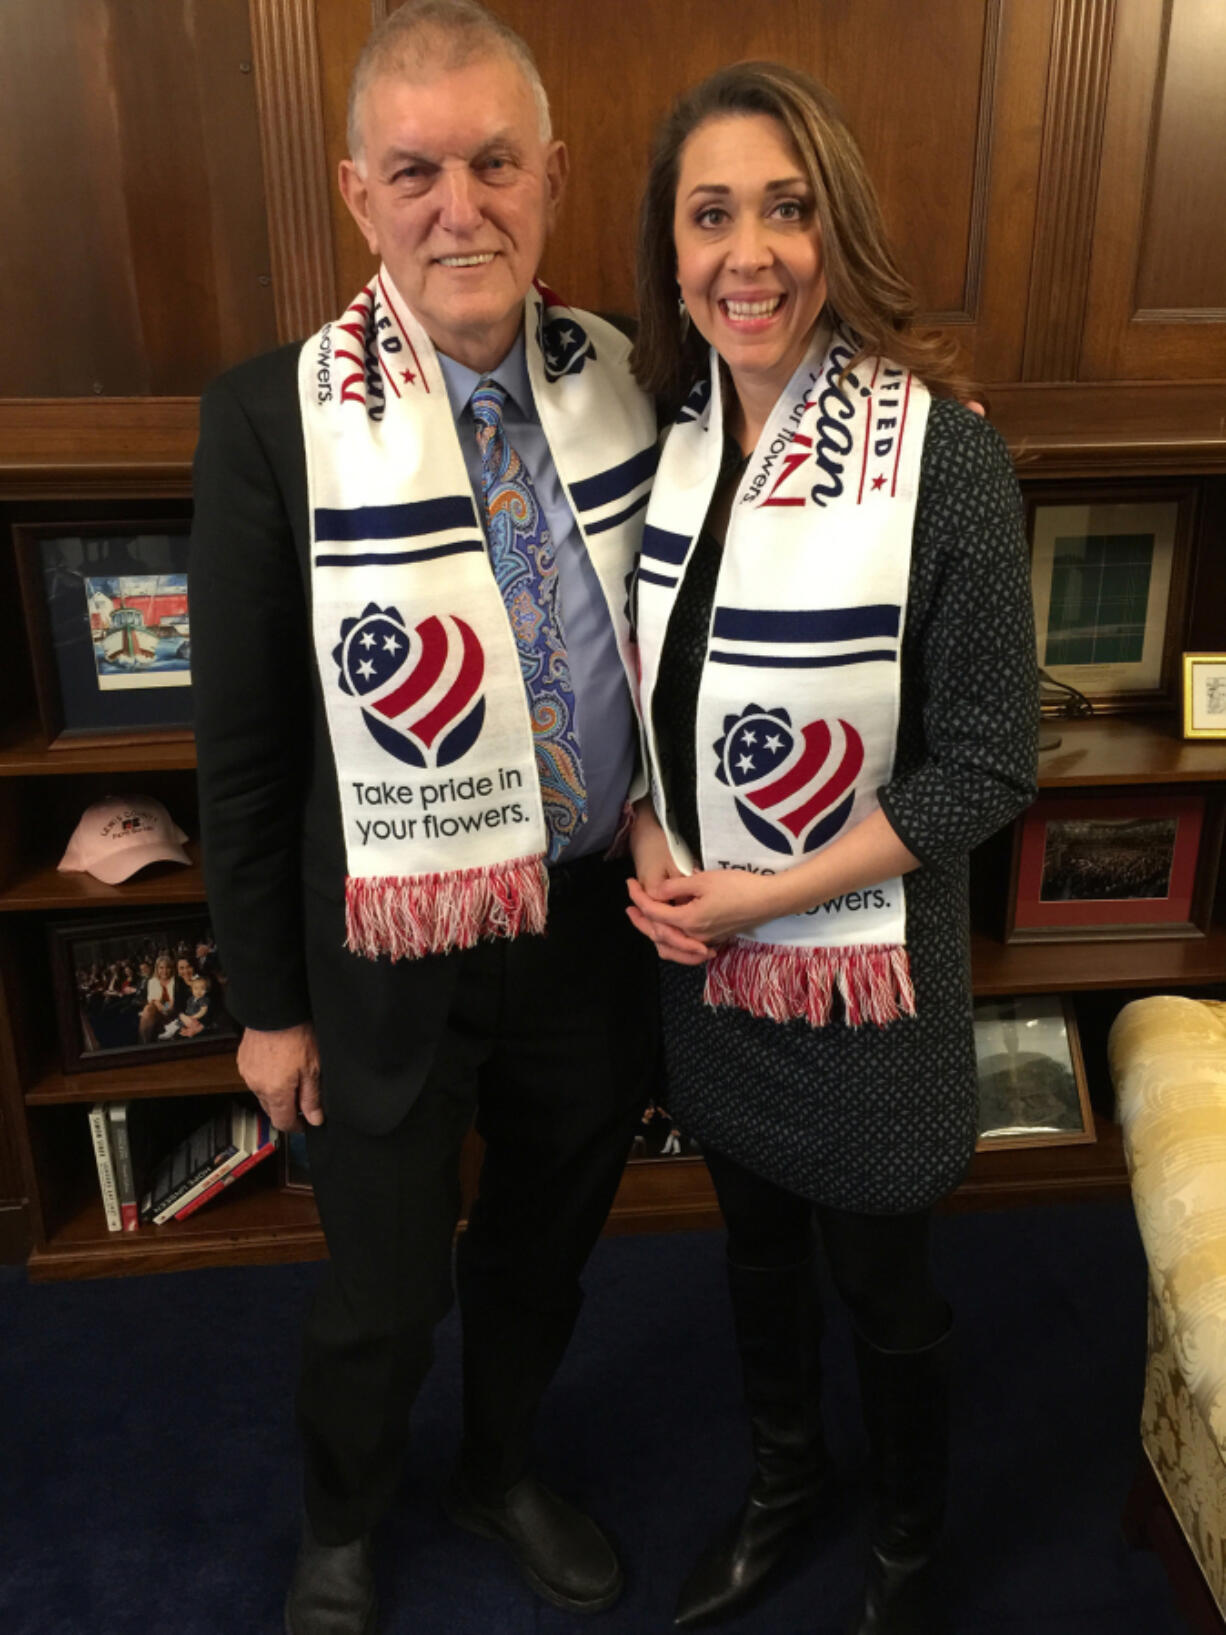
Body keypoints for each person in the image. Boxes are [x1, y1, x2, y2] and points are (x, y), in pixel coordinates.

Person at [189, 5, 659, 1632]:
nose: (458, 205)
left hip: (592, 928)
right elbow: (240, 748)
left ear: (552, 176)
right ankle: (343, 1510)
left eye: (492, 162)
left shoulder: (630, 378)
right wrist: (264, 1009)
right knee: (383, 1292)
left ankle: (501, 1463)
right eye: (415, 171)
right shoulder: (270, 419)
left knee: (541, 1254)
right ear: (355, 194)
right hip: (380, 950)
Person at [626, 63, 1038, 1635]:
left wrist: (766, 894)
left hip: (864, 981)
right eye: (711, 213)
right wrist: (658, 846)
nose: (750, 252)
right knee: (753, 1254)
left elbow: (990, 764)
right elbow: (632, 699)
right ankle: (785, 1482)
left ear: (835, 229)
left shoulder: (944, 461)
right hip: (712, 970)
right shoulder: (662, 452)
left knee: (881, 1285)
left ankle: (908, 1543)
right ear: (669, 251)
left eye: (785, 210)